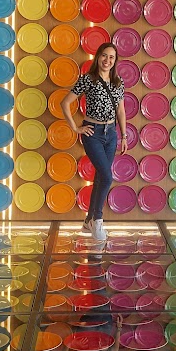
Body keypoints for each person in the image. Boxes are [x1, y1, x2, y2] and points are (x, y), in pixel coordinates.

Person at [62, 42, 127, 240]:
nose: (107, 60)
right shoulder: (88, 79)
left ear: (115, 60)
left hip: (111, 134)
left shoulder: (118, 82)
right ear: (98, 56)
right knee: (107, 177)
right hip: (93, 133)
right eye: (104, 55)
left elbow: (121, 110)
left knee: (100, 177)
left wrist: (124, 136)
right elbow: (65, 103)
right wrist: (76, 128)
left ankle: (88, 221)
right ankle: (97, 221)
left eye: (111, 57)